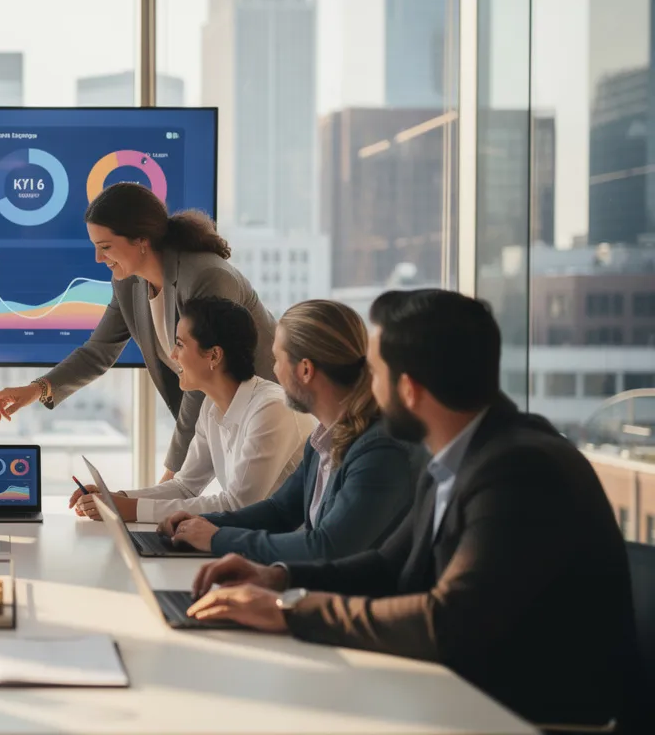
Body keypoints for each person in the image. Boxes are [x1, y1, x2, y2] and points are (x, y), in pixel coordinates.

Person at [184, 289, 639, 729]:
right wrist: (277, 577)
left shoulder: (518, 470)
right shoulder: (458, 455)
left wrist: (288, 609)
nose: (365, 384)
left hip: (526, 716)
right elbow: (386, 564)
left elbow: (446, 622)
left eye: (375, 372)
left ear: (410, 389)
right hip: (466, 691)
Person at [0, 182, 277, 484]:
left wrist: (170, 480)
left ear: (141, 240)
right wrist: (36, 389)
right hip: (227, 422)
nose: (98, 259)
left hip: (269, 413)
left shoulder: (206, 277)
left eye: (105, 247)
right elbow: (97, 352)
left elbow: (203, 376)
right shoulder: (129, 283)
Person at [155, 299, 420, 558]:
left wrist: (215, 538)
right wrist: (197, 521)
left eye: (277, 359)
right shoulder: (321, 441)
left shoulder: (378, 450)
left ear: (305, 370)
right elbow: (279, 511)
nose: (273, 370)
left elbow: (326, 547)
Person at [71, 297, 313, 524]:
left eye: (179, 344)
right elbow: (185, 486)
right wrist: (117, 497)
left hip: (295, 551)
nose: (173, 355)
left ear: (214, 355)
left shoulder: (271, 408)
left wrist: (131, 509)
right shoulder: (211, 406)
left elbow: (239, 504)